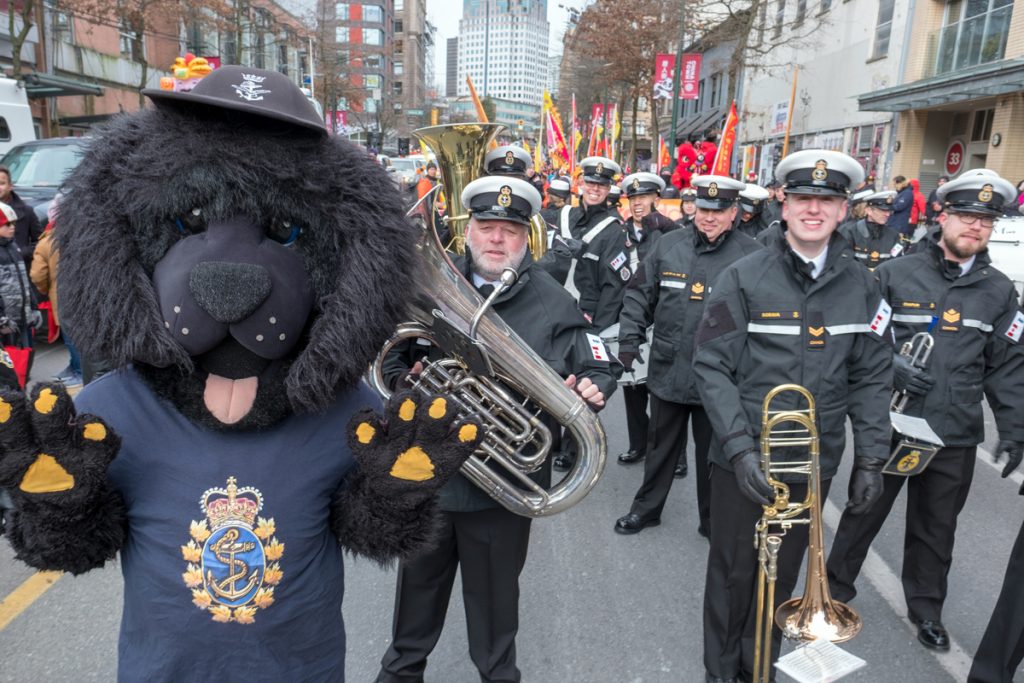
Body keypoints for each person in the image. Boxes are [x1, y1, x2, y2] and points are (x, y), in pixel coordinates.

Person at [375, 176, 618, 683]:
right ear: (468, 233)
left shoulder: (554, 302)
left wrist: (593, 386)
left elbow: (598, 362)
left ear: (526, 239)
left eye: (508, 230)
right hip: (430, 479)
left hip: (502, 498)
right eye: (486, 227)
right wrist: (405, 381)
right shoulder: (429, 287)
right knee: (413, 609)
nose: (496, 239)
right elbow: (392, 354)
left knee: (496, 614)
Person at [693, 150, 892, 683]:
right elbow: (710, 366)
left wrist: (872, 457)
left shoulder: (864, 286)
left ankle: (758, 668)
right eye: (804, 197)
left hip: (811, 462)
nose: (813, 209)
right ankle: (721, 673)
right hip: (746, 458)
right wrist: (737, 448)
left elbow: (873, 377)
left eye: (826, 200)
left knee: (780, 580)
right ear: (784, 204)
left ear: (844, 208)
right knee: (733, 575)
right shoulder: (742, 277)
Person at [827, 169, 1024, 653]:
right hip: (893, 424)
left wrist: (1016, 428)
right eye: (967, 216)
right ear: (943, 216)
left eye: (986, 220)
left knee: (937, 531)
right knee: (862, 511)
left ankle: (926, 609)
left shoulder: (999, 291)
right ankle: (832, 594)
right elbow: (861, 338)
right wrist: (891, 364)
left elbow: (1008, 365)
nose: (975, 227)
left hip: (955, 431)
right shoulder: (894, 274)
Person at [614, 175, 761, 537]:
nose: (709, 217)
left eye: (719, 210)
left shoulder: (753, 257)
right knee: (660, 447)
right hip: (669, 368)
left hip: (722, 379)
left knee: (714, 456)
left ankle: (712, 521)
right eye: (704, 208)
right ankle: (646, 510)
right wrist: (629, 339)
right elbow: (638, 296)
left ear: (735, 213)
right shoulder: (668, 245)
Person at [612, 172, 670, 467]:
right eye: (633, 198)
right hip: (631, 318)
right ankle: (639, 444)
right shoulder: (617, 232)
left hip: (661, 320)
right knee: (633, 388)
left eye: (643, 198)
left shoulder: (668, 233)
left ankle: (674, 454)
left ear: (655, 199)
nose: (637, 203)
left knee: (664, 396)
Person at [30, 195, 81, 386]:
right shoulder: (79, 236)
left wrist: (45, 289)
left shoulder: (46, 242)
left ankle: (78, 371)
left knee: (70, 337)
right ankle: (73, 366)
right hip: (82, 294)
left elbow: (37, 275)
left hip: (62, 296)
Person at [0, 200, 41, 379]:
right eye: (7, 224)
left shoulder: (13, 247)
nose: (12, 228)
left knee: (23, 362)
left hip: (21, 318)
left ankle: (20, 388)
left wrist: (34, 307)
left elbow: (23, 280)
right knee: (6, 368)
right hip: (5, 322)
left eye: (14, 224)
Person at [838, 190, 904, 270]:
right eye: (883, 210)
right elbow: (841, 262)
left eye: (889, 210)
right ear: (868, 210)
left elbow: (896, 263)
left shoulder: (893, 235)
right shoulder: (850, 231)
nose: (887, 214)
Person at [0, 165, 43, 268]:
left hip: (20, 272)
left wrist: (22, 252)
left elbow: (40, 241)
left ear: (10, 186)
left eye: (2, 183)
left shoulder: (26, 211)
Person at [887, 175, 915, 239]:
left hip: (899, 224)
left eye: (895, 184)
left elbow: (899, 206)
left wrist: (889, 205)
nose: (894, 186)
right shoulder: (901, 193)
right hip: (895, 222)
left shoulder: (907, 193)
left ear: (900, 183)